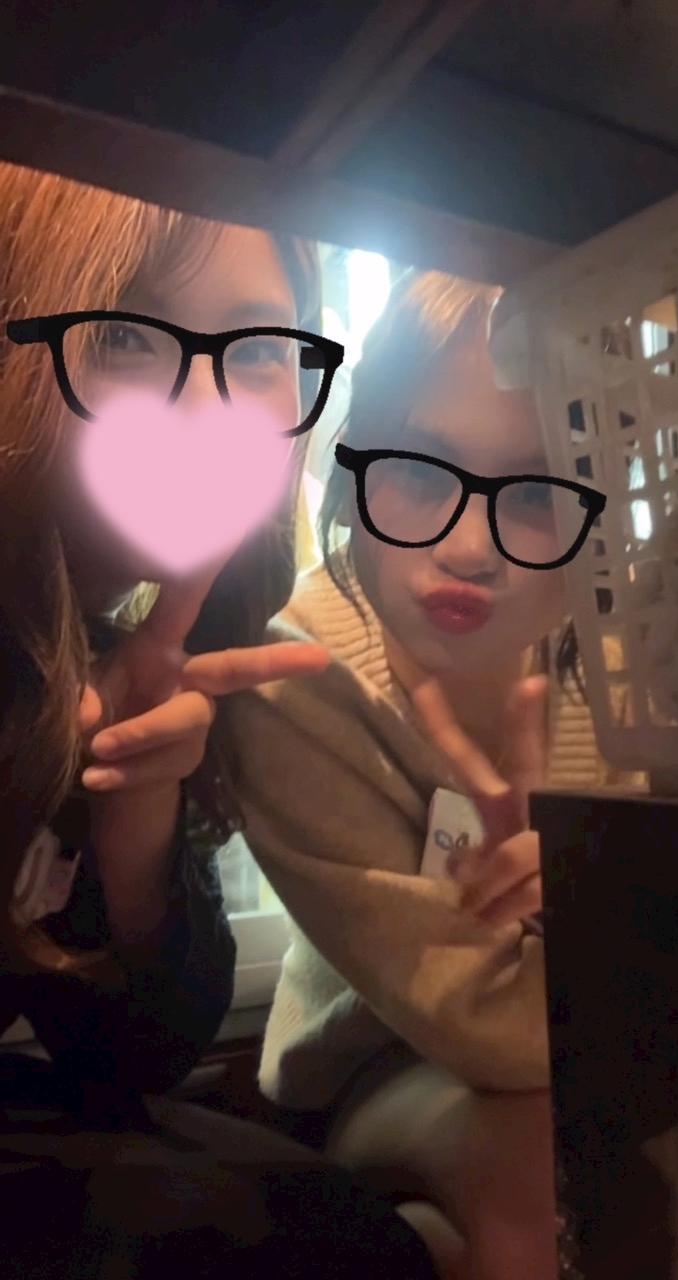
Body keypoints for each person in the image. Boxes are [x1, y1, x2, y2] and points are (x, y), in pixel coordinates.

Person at [0, 160, 439, 1280]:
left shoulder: (137, 659)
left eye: (255, 353)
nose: (206, 412)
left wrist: (134, 822)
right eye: (128, 337)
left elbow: (136, 1057)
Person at [209, 269, 639, 1280]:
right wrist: (610, 922)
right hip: (368, 1069)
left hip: (586, 1044)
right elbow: (487, 1031)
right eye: (418, 471)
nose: (467, 545)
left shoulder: (619, 669)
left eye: (534, 494)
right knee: (546, 1156)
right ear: (356, 467)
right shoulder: (294, 680)